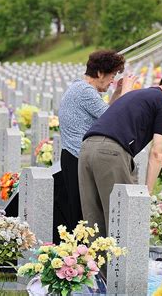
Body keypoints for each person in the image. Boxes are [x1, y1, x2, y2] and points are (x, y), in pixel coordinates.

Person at [78, 71, 162, 237]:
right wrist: (147, 192)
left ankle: (98, 262)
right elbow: (157, 153)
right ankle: (123, 263)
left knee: (93, 221)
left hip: (87, 148)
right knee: (123, 218)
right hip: (111, 152)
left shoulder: (137, 94)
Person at [57, 50, 137, 233]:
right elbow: (116, 118)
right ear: (100, 73)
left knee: (82, 213)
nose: (112, 81)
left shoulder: (80, 87)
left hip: (75, 157)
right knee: (83, 216)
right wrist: (126, 90)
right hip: (77, 158)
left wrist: (117, 92)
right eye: (112, 76)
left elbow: (106, 115)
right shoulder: (85, 91)